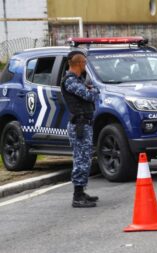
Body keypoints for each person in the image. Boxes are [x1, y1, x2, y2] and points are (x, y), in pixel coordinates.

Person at [61, 51, 100, 208]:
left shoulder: (78, 80)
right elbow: (90, 95)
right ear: (79, 64)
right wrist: (93, 90)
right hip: (79, 125)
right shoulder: (70, 81)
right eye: (84, 63)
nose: (85, 66)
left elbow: (90, 92)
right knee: (81, 160)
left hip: (85, 124)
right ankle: (77, 196)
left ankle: (81, 192)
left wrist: (92, 89)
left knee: (85, 159)